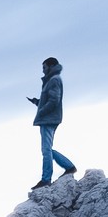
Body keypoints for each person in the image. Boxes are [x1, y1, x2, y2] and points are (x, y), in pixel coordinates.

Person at [27, 57, 76, 190]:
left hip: (48, 119)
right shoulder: (51, 80)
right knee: (47, 149)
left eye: (44, 67)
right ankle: (69, 166)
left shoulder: (54, 80)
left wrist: (42, 111)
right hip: (49, 118)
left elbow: (54, 100)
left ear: (51, 66)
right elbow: (49, 100)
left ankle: (46, 179)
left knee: (46, 149)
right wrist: (37, 102)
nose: (43, 70)